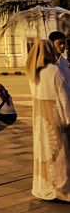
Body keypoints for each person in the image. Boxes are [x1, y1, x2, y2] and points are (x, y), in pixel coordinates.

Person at [25, 39, 70, 202]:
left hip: (40, 120)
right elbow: (64, 98)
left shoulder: (32, 73)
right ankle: (60, 188)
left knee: (43, 154)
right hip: (54, 116)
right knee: (60, 153)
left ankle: (43, 186)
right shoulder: (54, 71)